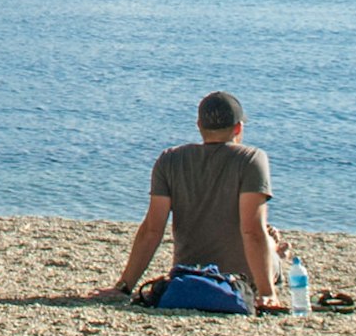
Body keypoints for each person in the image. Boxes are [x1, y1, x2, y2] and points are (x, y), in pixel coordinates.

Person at [106, 90, 282, 312]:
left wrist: (124, 286)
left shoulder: (169, 159)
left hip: (188, 274)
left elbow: (152, 230)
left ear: (199, 125)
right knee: (266, 238)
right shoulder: (251, 159)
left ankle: (275, 247)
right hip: (240, 280)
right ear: (238, 128)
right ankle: (276, 251)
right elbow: (252, 231)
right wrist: (267, 294)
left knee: (264, 236)